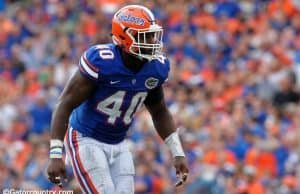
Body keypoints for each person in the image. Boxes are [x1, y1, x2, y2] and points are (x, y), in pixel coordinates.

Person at [46, 5, 189, 194]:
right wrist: (56, 153)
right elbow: (65, 104)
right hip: (85, 138)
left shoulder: (155, 68)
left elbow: (159, 110)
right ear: (124, 37)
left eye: (152, 35)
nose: (151, 41)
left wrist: (177, 151)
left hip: (119, 143)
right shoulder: (101, 61)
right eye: (144, 36)